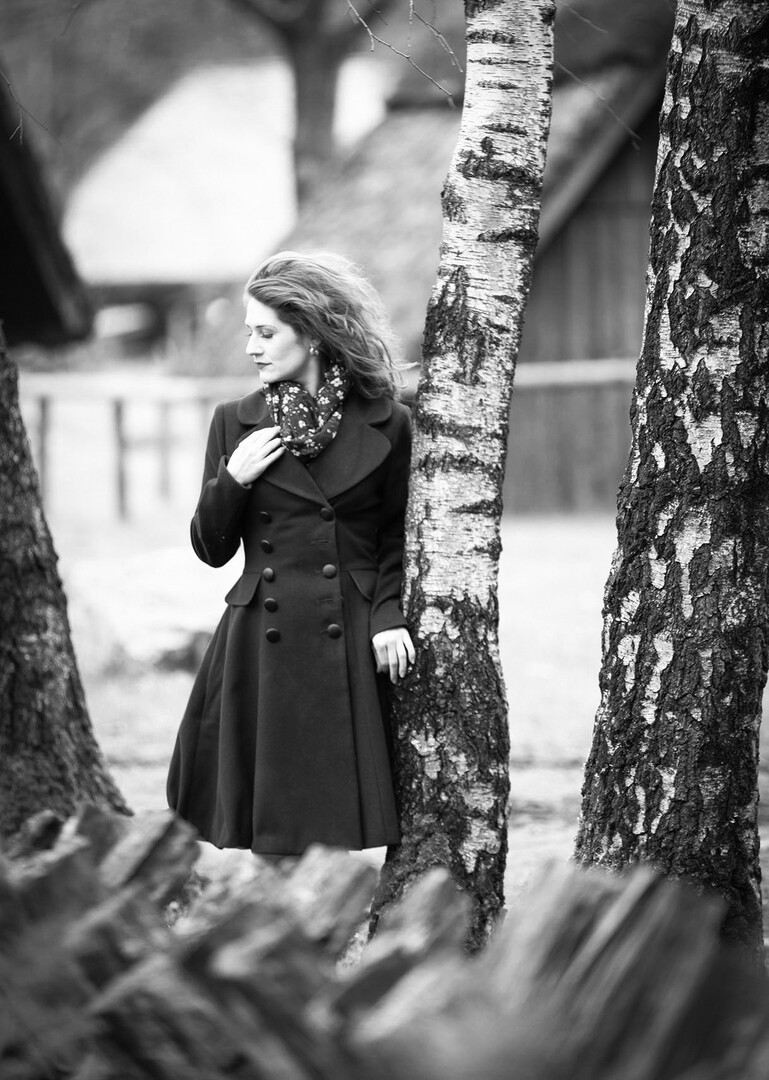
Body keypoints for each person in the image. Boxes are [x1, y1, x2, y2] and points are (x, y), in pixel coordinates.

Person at [167, 251, 415, 856]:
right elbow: (210, 549)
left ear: (313, 334)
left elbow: (395, 538)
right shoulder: (235, 422)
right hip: (261, 636)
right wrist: (233, 481)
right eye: (249, 332)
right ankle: (276, 911)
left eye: (266, 333)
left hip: (351, 632)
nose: (251, 347)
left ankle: (330, 905)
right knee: (271, 821)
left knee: (335, 816)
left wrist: (387, 616)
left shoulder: (389, 423)